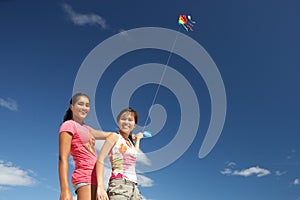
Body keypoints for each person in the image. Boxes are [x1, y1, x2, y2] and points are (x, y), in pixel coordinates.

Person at [58, 93, 115, 200]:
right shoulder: (69, 125)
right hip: (84, 176)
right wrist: (65, 190)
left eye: (87, 105)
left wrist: (132, 136)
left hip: (97, 178)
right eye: (81, 104)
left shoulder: (88, 129)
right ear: (72, 107)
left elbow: (110, 135)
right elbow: (63, 158)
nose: (84, 108)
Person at [96, 107, 144, 200]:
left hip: (135, 188)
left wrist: (138, 139)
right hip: (119, 185)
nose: (126, 122)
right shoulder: (114, 136)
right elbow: (100, 159)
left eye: (130, 120)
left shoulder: (130, 143)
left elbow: (135, 153)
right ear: (118, 122)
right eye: (123, 119)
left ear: (135, 125)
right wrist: (100, 187)